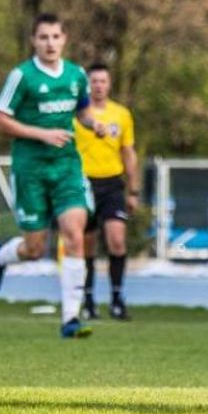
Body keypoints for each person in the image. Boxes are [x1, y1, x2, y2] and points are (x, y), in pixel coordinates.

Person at [0, 13, 109, 338]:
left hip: (66, 166)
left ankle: (71, 319)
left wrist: (93, 124)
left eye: (55, 36)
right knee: (34, 249)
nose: (50, 43)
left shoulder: (76, 75)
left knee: (74, 234)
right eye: (43, 37)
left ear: (64, 39)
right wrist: (41, 134)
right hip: (31, 170)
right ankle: (1, 256)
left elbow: (82, 111)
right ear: (34, 41)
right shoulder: (22, 76)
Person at [73, 62, 139, 321]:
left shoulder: (121, 114)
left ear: (109, 84)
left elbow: (128, 152)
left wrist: (133, 190)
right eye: (94, 81)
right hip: (83, 183)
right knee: (86, 245)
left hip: (112, 184)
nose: (98, 86)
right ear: (87, 85)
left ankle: (117, 298)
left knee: (117, 239)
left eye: (103, 81)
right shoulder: (77, 115)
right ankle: (88, 300)